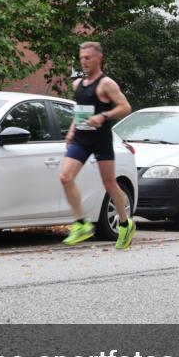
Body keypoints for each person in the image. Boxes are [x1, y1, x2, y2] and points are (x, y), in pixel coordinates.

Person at [61, 41, 136, 248]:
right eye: (81, 58)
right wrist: (71, 131)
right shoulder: (77, 85)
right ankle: (81, 224)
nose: (84, 62)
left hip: (101, 140)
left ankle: (124, 223)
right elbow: (80, 110)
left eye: (88, 58)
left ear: (98, 59)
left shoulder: (107, 84)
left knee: (109, 184)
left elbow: (125, 107)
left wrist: (103, 116)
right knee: (65, 178)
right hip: (81, 140)